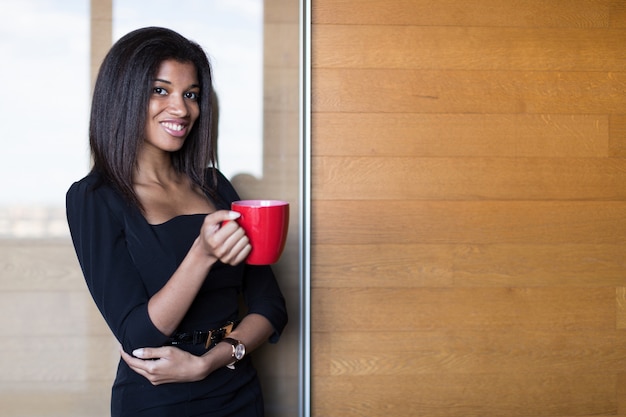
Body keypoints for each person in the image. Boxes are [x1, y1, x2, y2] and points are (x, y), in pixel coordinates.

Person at [66, 27, 288, 417]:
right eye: (160, 90)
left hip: (238, 390)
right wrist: (201, 254)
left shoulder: (215, 186)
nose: (181, 109)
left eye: (191, 94)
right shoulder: (94, 198)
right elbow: (138, 336)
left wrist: (210, 361)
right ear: (123, 95)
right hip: (157, 400)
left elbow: (270, 304)